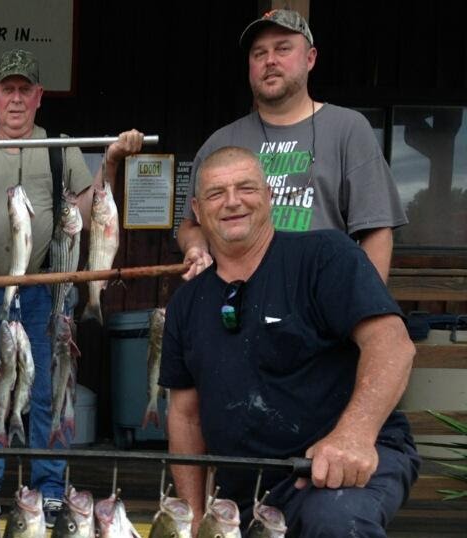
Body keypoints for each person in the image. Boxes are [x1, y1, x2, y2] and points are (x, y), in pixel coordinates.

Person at [159, 146, 419, 536]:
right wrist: (194, 516)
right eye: (216, 193)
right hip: (244, 492)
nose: (232, 202)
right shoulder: (184, 305)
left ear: (268, 196)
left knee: (333, 522)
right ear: (197, 209)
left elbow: (392, 344)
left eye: (246, 188)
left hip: (339, 468)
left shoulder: (325, 256)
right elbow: (185, 415)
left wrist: (353, 435)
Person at [0, 48, 144, 526]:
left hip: (47, 289)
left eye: (23, 90)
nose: (15, 98)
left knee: (50, 390)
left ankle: (51, 488)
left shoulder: (60, 149)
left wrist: (109, 163)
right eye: (6, 89)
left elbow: (90, 213)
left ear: (38, 97)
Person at [176, 9, 406, 282]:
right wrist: (196, 248)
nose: (270, 60)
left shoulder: (348, 129)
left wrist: (365, 306)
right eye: (258, 54)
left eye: (283, 49)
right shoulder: (220, 143)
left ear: (310, 59)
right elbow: (190, 225)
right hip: (234, 302)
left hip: (318, 303)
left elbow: (376, 230)